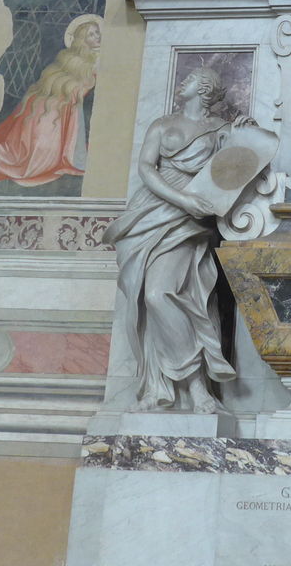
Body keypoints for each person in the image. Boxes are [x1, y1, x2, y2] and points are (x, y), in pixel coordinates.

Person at [103, 67, 254, 411]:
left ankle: (197, 385)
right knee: (148, 298)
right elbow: (146, 168)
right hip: (150, 212)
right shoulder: (161, 124)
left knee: (160, 295)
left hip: (187, 220)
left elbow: (240, 165)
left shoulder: (220, 130)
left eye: (193, 77)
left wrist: (246, 133)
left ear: (205, 88)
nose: (183, 80)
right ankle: (164, 385)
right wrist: (181, 198)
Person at [0, 16, 101, 190]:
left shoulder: (97, 58)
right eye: (91, 34)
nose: (97, 37)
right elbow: (65, 84)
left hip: (58, 106)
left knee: (41, 143)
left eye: (97, 32)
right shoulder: (70, 58)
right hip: (50, 107)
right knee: (36, 152)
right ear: (82, 39)